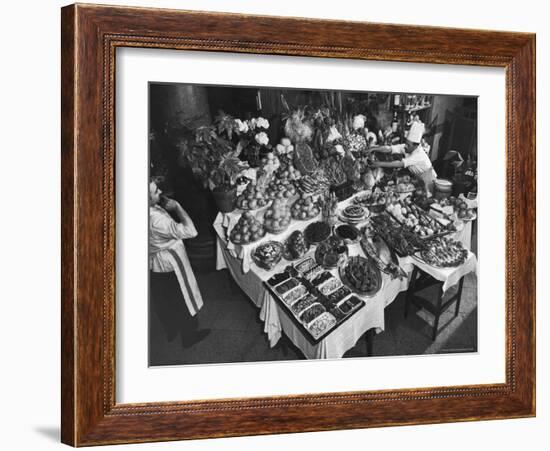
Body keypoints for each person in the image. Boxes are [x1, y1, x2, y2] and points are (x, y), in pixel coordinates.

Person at [149, 178, 210, 347]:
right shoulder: (156, 221)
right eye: (155, 192)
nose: (160, 192)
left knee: (164, 298)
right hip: (169, 262)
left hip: (154, 263)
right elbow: (191, 231)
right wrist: (177, 207)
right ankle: (189, 335)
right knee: (182, 296)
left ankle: (171, 330)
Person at [368, 120, 437, 195]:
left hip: (428, 179)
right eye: (406, 143)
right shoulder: (407, 147)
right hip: (419, 177)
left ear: (416, 146)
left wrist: (378, 164)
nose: (405, 146)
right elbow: (390, 148)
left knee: (428, 197)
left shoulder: (418, 154)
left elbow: (399, 164)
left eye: (408, 145)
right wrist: (374, 148)